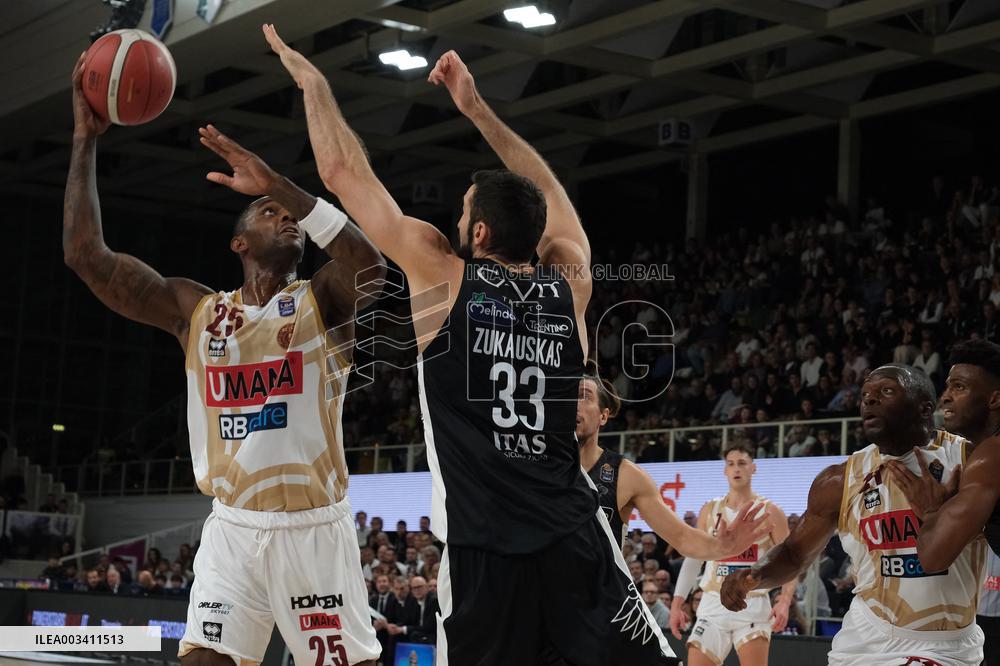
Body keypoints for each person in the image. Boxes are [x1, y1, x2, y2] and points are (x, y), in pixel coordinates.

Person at [264, 28, 690, 664]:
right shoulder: (568, 282)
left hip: (483, 550)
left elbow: (340, 172)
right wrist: (477, 109)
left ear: (480, 230)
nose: (456, 220)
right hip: (571, 536)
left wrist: (313, 84)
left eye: (464, 212)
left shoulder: (441, 275)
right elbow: (553, 201)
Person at [64, 53, 384, 666]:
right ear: (240, 243)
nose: (287, 217)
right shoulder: (197, 311)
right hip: (232, 528)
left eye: (291, 213)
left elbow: (371, 266)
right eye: (271, 213)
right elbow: (87, 256)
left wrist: (277, 185)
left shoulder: (322, 301)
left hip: (313, 531)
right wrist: (84, 141)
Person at [720, 365, 985, 665]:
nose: (869, 400)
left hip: (943, 645)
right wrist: (756, 575)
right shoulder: (838, 480)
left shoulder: (971, 461)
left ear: (925, 408)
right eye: (865, 396)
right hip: (864, 637)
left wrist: (939, 514)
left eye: (886, 391)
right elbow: (795, 554)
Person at [577, 371, 769, 556]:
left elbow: (682, 537)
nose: (571, 404)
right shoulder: (546, 468)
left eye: (583, 396)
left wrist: (724, 546)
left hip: (594, 588)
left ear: (603, 416)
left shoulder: (626, 475)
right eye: (564, 397)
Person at [669, 445, 796, 666]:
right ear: (725, 471)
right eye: (731, 464)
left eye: (742, 463)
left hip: (752, 603)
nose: (736, 468)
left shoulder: (770, 510)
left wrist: (784, 600)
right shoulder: (709, 510)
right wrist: (677, 603)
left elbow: (791, 560)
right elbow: (694, 558)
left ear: (753, 468)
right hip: (712, 602)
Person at [897, 340, 1000, 571]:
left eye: (959, 387)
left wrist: (931, 510)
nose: (945, 397)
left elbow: (933, 558)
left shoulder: (991, 455)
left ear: (995, 399)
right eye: (948, 387)